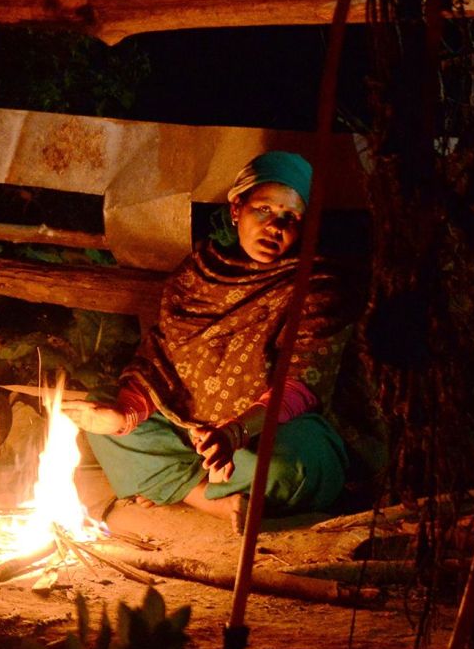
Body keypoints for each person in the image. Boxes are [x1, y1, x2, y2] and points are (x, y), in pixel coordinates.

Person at [60, 151, 357, 521]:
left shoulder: (316, 285)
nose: (274, 227)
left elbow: (301, 387)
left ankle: (175, 485)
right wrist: (124, 415)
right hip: (188, 430)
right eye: (262, 210)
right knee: (102, 413)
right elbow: (160, 362)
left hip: (262, 434)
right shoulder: (197, 275)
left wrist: (234, 434)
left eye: (290, 218)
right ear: (237, 210)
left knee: (294, 467)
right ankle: (210, 498)